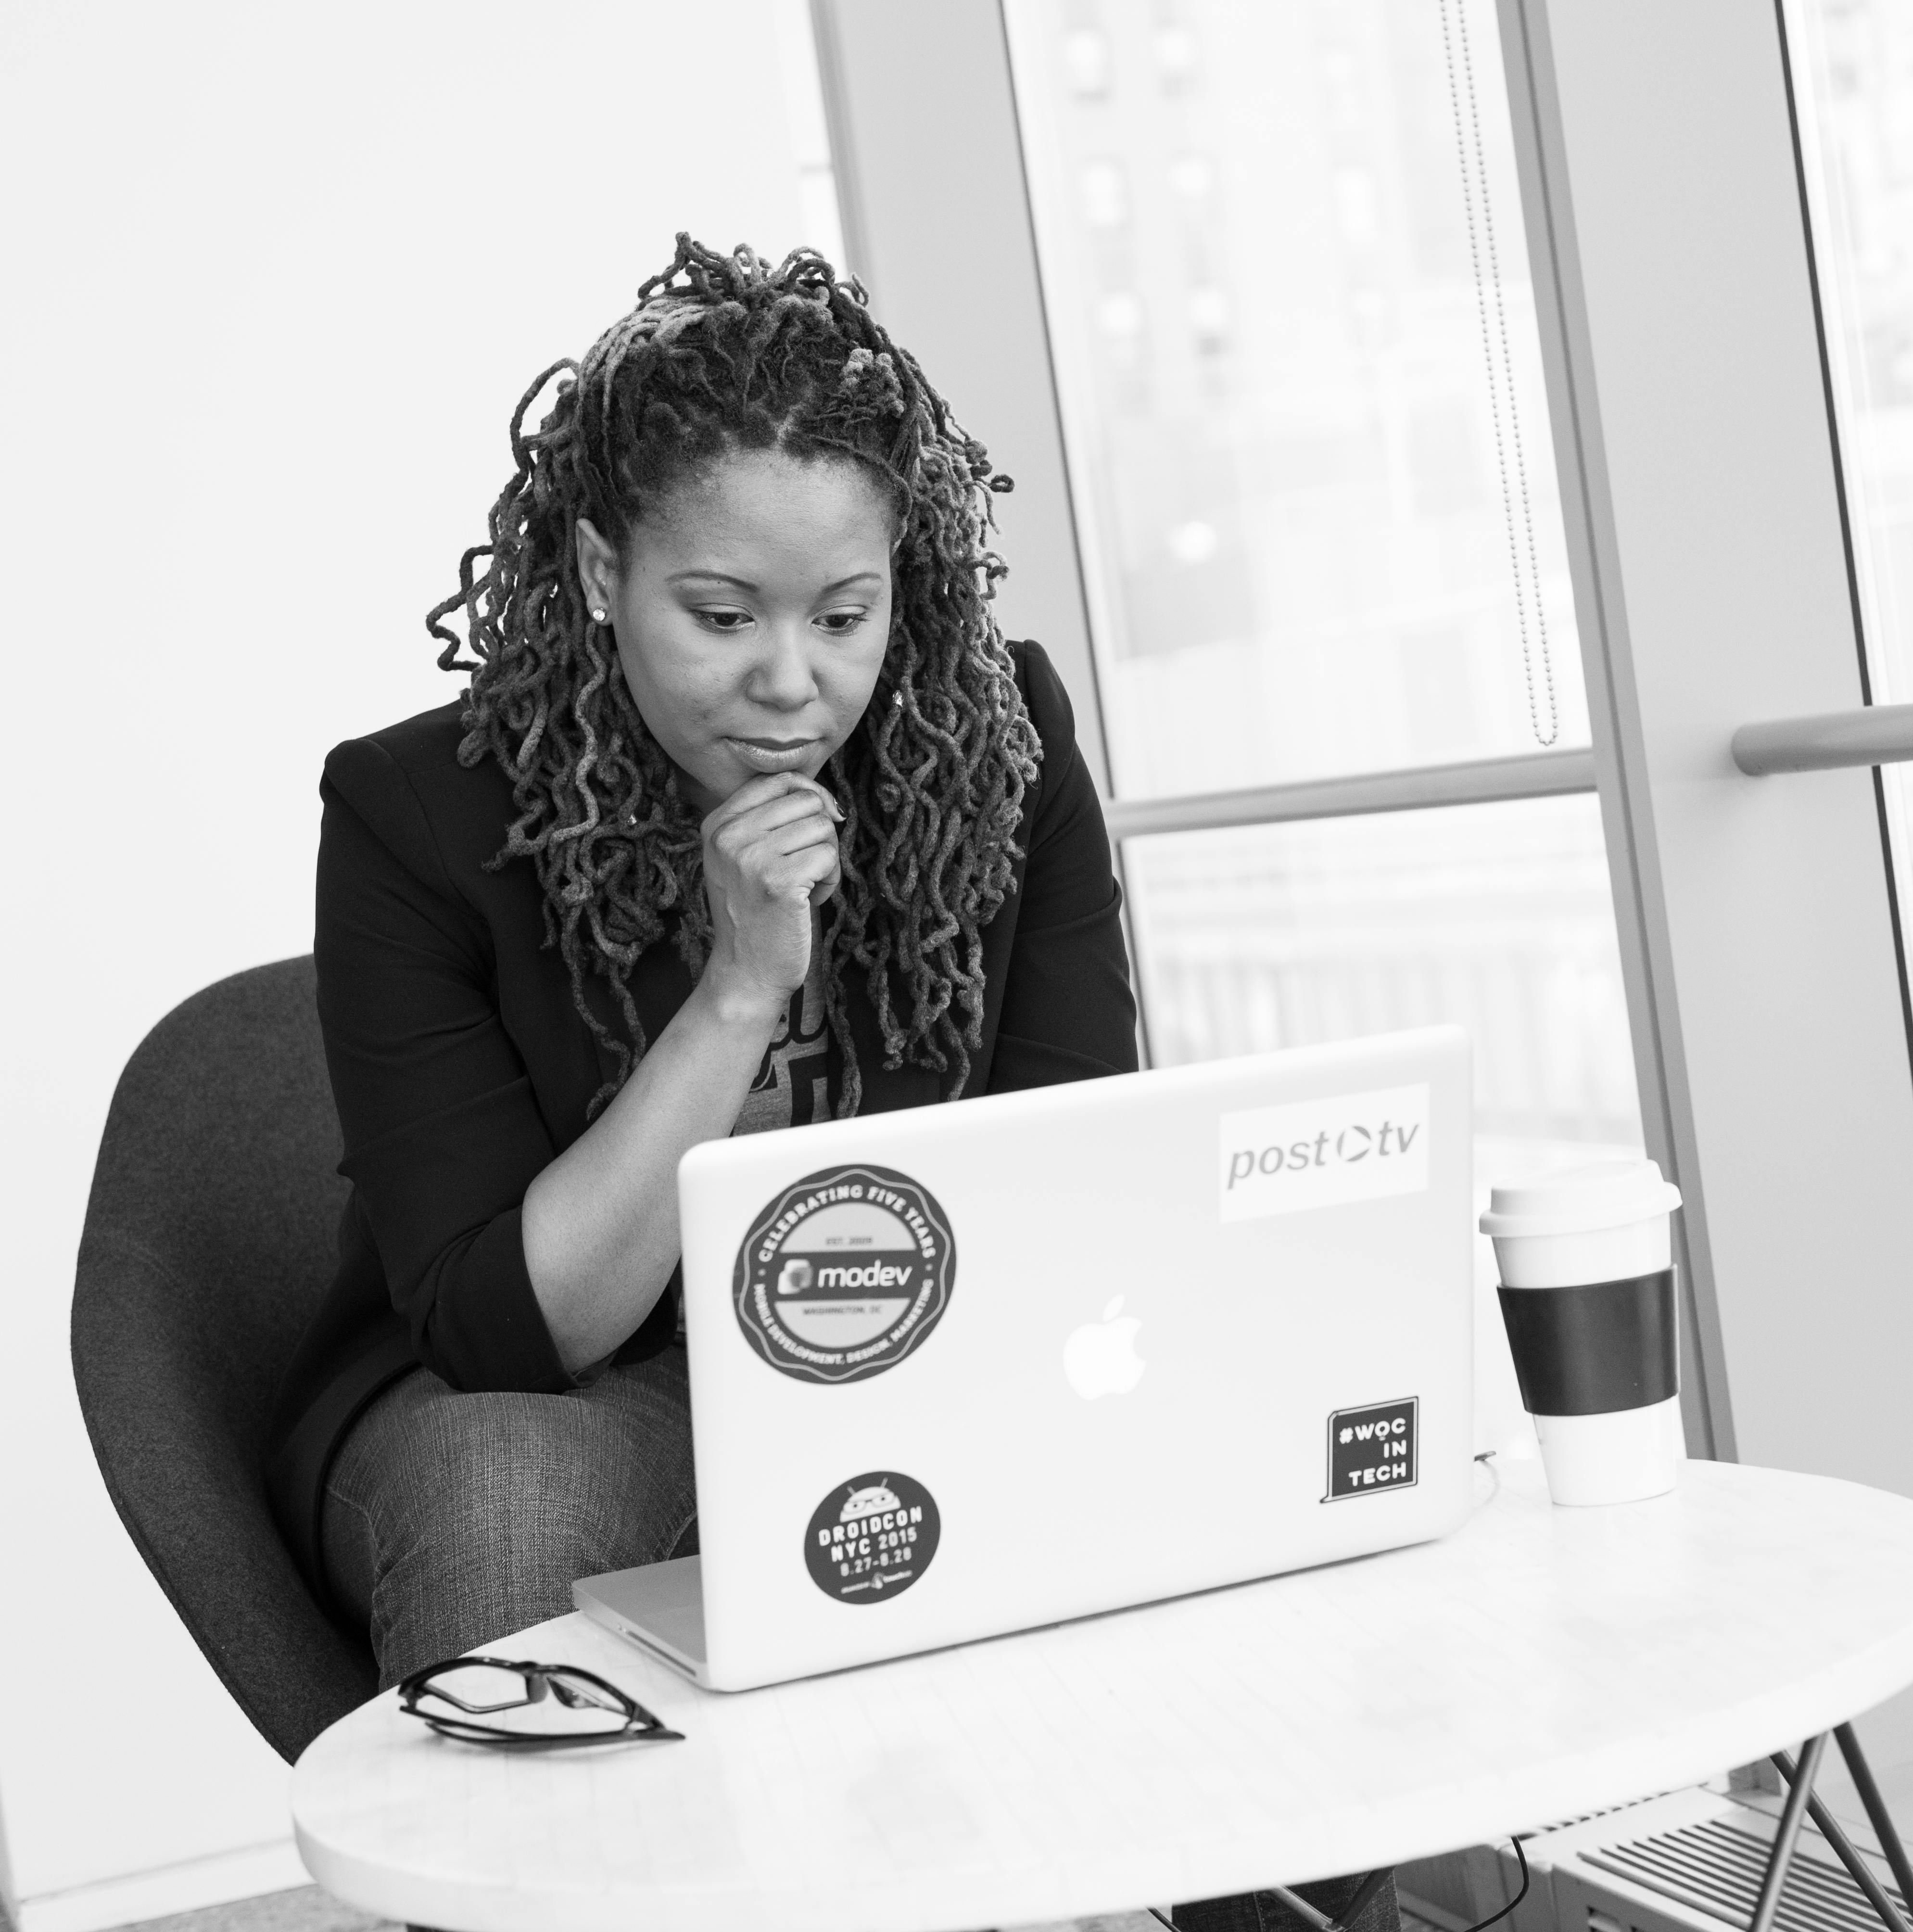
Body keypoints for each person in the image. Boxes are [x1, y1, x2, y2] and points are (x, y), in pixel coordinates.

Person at [261, 236, 1393, 1932]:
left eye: (844, 615)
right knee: (503, 1494)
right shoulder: (418, 818)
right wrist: (735, 989)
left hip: (927, 1355)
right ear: (593, 572)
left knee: (1260, 1430)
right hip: (596, 1389)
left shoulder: (993, 737)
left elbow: (1068, 1158)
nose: (792, 683)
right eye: (719, 617)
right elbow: (516, 1330)